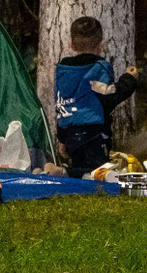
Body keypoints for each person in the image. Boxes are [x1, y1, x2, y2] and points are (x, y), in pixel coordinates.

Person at [54, 16, 139, 179]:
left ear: (72, 44)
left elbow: (61, 104)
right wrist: (129, 79)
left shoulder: (64, 71)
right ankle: (65, 172)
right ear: (101, 45)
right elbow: (110, 96)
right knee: (98, 170)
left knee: (79, 165)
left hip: (71, 133)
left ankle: (62, 171)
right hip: (94, 133)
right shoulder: (97, 69)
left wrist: (62, 138)